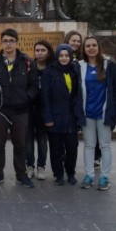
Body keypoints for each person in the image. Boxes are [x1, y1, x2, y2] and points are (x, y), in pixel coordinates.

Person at [0, 28, 38, 188]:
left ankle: (21, 175)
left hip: (20, 111)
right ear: (1, 43)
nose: (8, 44)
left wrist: (26, 99)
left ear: (16, 42)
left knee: (20, 144)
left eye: (11, 41)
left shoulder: (27, 62)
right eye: (5, 41)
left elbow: (34, 85)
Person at [79, 36, 116, 191]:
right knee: (89, 145)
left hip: (104, 113)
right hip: (87, 113)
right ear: (84, 49)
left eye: (94, 45)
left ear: (98, 47)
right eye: (88, 46)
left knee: (105, 145)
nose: (91, 48)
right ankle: (89, 175)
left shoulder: (109, 65)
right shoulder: (80, 66)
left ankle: (105, 176)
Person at [41, 44, 85, 186]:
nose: (64, 58)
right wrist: (47, 117)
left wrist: (79, 116)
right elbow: (45, 96)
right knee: (56, 149)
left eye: (67, 55)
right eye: (61, 55)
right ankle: (58, 174)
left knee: (72, 148)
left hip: (71, 117)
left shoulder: (75, 70)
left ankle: (70, 172)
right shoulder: (49, 72)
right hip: (55, 117)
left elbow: (78, 94)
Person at [26, 40, 54, 181]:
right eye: (37, 50)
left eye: (43, 50)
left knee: (42, 140)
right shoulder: (29, 67)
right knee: (28, 139)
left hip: (44, 109)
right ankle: (29, 166)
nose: (40, 53)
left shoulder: (53, 68)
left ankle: (41, 166)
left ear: (48, 52)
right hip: (29, 108)